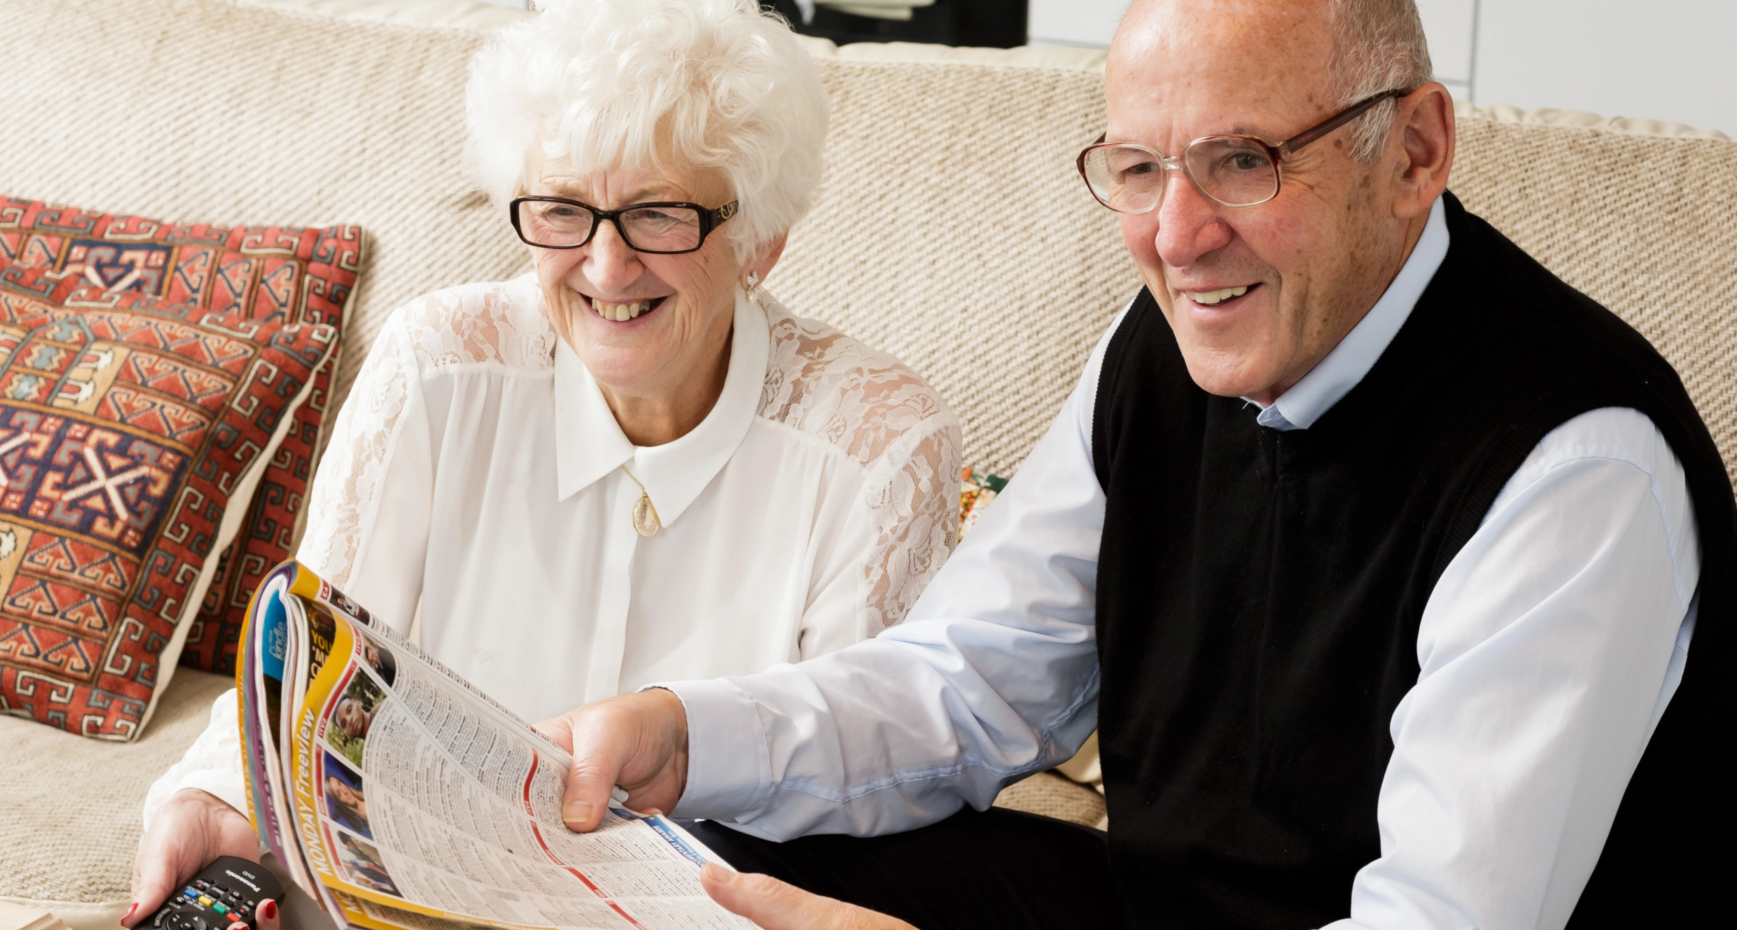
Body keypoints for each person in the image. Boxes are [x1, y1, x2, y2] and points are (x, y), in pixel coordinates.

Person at [537, 0, 1729, 928]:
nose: (1175, 237)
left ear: (1414, 151)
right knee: (718, 867)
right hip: (1152, 912)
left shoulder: (1574, 462)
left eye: (1243, 160)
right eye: (1139, 167)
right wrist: (682, 737)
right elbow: (968, 681)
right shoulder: (1172, 341)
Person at [122, 1, 962, 927]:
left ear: (761, 239)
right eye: (564, 211)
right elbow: (310, 675)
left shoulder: (879, 446)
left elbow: (866, 790)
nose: (605, 267)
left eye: (658, 215)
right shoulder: (435, 366)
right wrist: (218, 800)